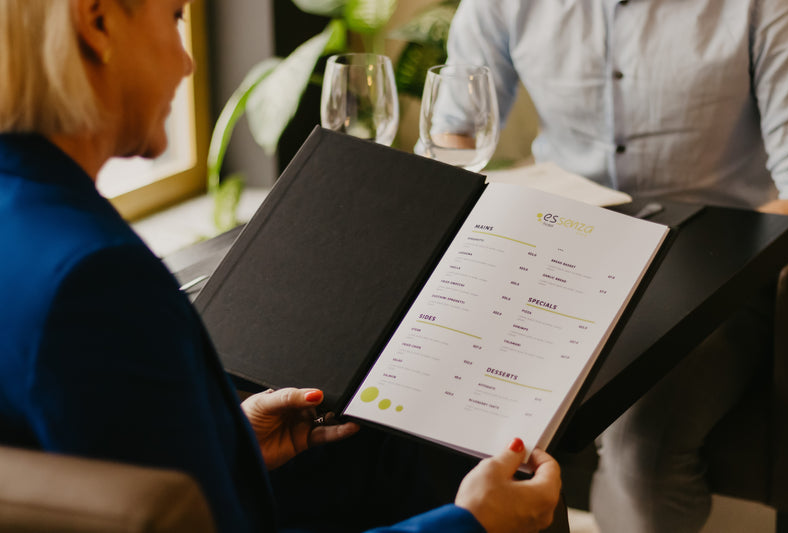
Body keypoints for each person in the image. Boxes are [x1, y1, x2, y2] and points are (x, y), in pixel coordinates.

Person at [0, 0, 563, 532]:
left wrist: (232, 448)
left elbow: (95, 484)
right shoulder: (97, 280)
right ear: (97, 25)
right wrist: (469, 524)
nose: (186, 61)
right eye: (173, 18)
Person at [443, 1, 788, 531]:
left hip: (713, 272)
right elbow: (454, 132)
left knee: (643, 442)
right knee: (448, 393)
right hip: (560, 258)